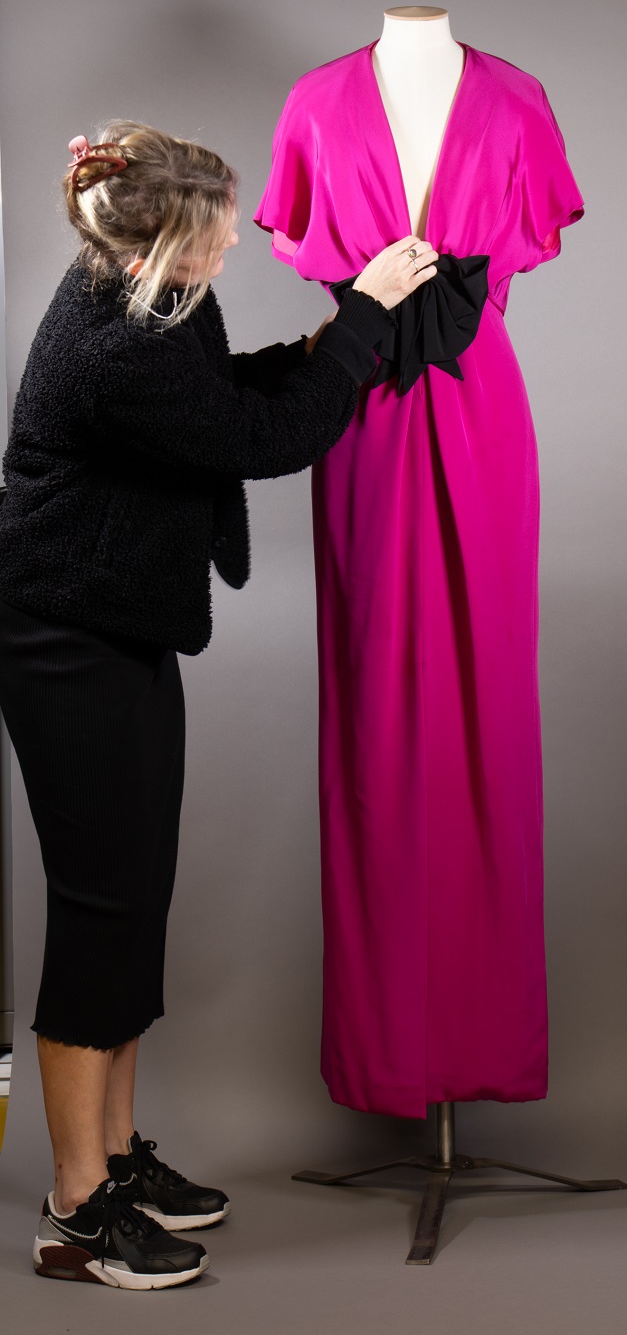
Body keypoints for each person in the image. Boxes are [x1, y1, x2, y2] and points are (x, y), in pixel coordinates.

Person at [0, 120, 438, 1290]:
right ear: (156, 247)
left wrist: (307, 340)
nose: (237, 239)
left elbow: (218, 395)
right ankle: (75, 1211)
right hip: (63, 641)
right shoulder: (113, 346)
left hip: (121, 628)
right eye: (216, 231)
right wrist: (362, 319)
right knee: (101, 912)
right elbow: (258, 440)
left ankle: (115, 1159)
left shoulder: (144, 298)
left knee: (134, 899)